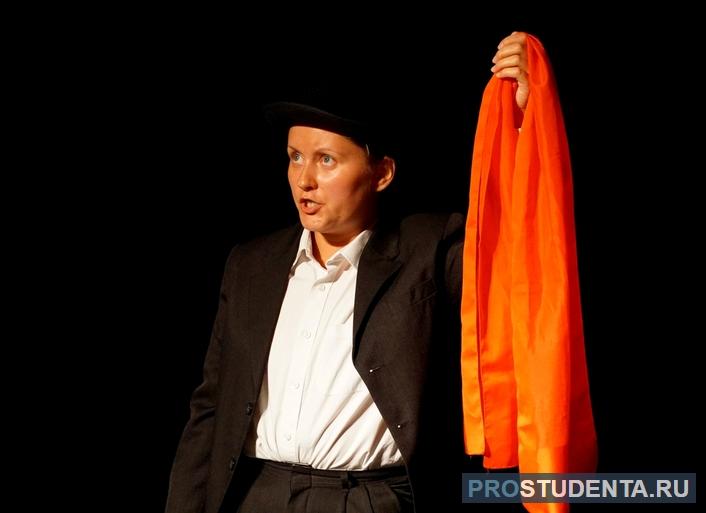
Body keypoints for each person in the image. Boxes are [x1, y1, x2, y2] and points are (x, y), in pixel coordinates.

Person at [167, 32, 533, 513]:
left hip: (366, 497)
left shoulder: (428, 249)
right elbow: (211, 406)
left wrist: (525, 120)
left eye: (326, 160)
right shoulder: (251, 264)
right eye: (295, 157)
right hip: (255, 493)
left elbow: (520, 255)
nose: (305, 179)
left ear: (381, 173)